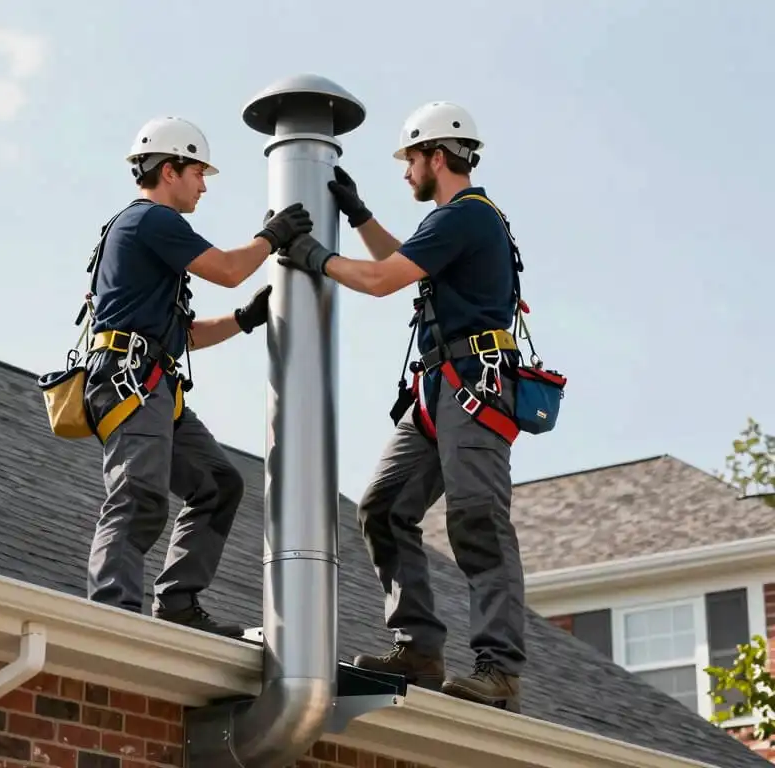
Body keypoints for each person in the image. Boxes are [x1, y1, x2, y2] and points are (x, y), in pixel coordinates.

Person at [277, 102, 526, 711]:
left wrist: (312, 256)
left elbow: (383, 280)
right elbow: (403, 263)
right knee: (384, 506)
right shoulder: (453, 221)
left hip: (474, 386)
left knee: (477, 520)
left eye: (410, 159)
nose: (406, 171)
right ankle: (418, 647)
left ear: (436, 156)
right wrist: (360, 217)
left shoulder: (467, 217)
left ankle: (498, 669)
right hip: (440, 388)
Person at [84, 116, 312, 637]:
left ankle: (178, 602)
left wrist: (244, 320)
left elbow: (181, 336)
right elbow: (229, 268)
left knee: (218, 483)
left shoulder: (145, 233)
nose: (204, 185)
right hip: (131, 381)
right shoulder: (151, 221)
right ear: (170, 170)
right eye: (198, 173)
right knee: (138, 493)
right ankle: (110, 614)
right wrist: (272, 236)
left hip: (150, 380)